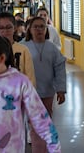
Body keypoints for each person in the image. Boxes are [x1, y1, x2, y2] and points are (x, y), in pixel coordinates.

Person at [23, 17, 67, 153]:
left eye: (42, 26)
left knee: (46, 124)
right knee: (35, 125)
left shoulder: (51, 48)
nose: (39, 30)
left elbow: (60, 68)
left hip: (48, 92)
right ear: (29, 29)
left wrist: (61, 89)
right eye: (35, 27)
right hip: (30, 93)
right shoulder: (23, 46)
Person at [0, 12, 36, 87]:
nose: (5, 31)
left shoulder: (23, 50)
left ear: (14, 28)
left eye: (8, 27)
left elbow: (30, 77)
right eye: (1, 28)